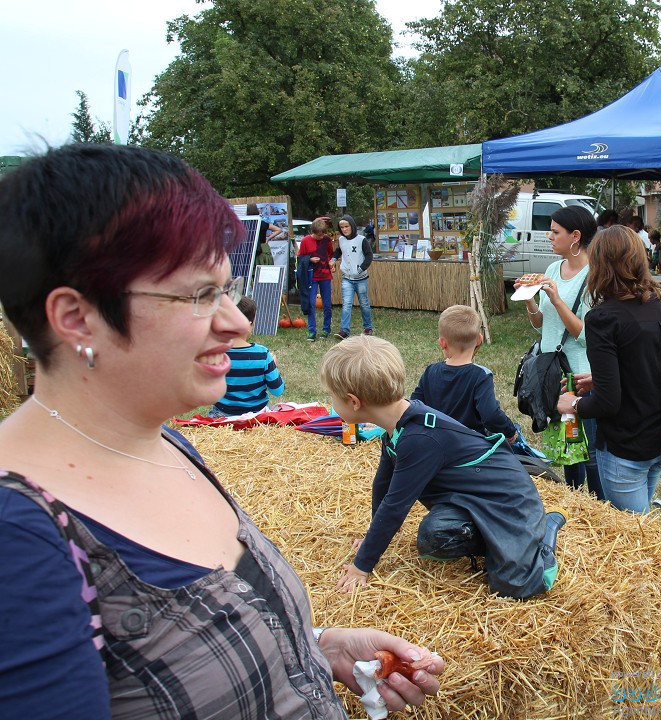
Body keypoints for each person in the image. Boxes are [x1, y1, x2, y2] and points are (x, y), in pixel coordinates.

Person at [0, 143, 442, 719]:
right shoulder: (18, 542)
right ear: (77, 318)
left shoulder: (165, 440)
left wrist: (318, 647)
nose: (237, 322)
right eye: (201, 295)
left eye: (227, 290)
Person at [323, 336, 565, 599]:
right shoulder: (397, 428)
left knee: (515, 586)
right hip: (470, 500)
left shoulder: (419, 439)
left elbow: (395, 507)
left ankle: (545, 530)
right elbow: (383, 484)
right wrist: (371, 536)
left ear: (353, 401)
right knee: (435, 538)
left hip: (509, 502)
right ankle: (500, 542)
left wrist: (361, 567)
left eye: (332, 397)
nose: (331, 402)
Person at [555, 226, 661, 513]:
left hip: (628, 444)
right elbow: (646, 367)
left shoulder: (602, 319)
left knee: (634, 537)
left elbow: (609, 403)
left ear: (599, 264)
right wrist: (600, 379)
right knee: (643, 527)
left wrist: (572, 404)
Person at [516, 205, 602, 499]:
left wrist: (556, 297)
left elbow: (585, 335)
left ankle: (598, 504)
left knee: (587, 447)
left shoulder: (594, 276)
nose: (548, 236)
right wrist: (530, 299)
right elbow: (543, 326)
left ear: (575, 236)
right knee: (566, 447)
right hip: (552, 373)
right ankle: (575, 500)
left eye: (555, 231)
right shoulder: (554, 268)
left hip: (580, 376)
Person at [411, 305, 517, 443]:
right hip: (470, 448)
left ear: (442, 343)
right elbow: (490, 414)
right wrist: (509, 431)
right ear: (479, 339)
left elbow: (414, 406)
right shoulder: (481, 375)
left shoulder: (431, 371)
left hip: (434, 444)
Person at [208, 295, 284, 418]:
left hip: (221, 416)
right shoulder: (263, 355)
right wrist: (273, 366)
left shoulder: (216, 353)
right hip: (256, 418)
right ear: (249, 323)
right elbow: (277, 391)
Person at [334, 214, 374, 340]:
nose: (344, 229)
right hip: (347, 277)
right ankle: (344, 330)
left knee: (364, 303)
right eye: (342, 227)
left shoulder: (361, 240)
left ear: (352, 226)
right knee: (346, 304)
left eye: (347, 226)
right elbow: (339, 250)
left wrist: (361, 268)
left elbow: (369, 256)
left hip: (361, 278)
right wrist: (333, 258)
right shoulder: (341, 240)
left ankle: (368, 327)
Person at [298, 217, 335, 341]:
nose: (321, 237)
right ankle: (311, 330)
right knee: (312, 303)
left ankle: (326, 329)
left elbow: (331, 254)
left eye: (323, 234)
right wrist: (310, 259)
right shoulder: (305, 241)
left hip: (325, 275)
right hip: (311, 276)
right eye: (319, 235)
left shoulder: (327, 239)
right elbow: (300, 258)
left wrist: (331, 263)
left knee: (327, 303)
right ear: (312, 232)